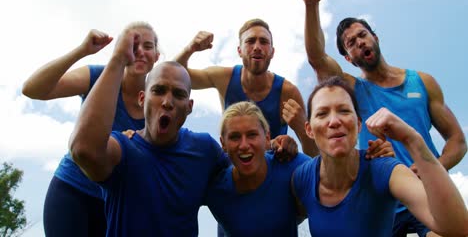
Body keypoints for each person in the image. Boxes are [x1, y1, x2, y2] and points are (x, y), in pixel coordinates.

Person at [300, 0, 467, 236]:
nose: (360, 43)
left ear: (375, 37)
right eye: (351, 44)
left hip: (425, 192)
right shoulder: (354, 91)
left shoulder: (422, 82)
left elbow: (458, 140)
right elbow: (318, 59)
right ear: (348, 58)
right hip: (383, 195)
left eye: (362, 35)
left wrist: (432, 167)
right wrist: (311, 6)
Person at [69, 26, 230, 235]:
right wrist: (118, 59)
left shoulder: (205, 150)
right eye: (159, 91)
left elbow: (245, 175)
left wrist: (280, 146)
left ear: (189, 107)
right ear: (142, 99)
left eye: (179, 94)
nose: (167, 102)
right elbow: (84, 150)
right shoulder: (124, 150)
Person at [22, 22, 160, 236]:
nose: (140, 52)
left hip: (115, 204)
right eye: (133, 46)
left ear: (157, 55)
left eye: (148, 46)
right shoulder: (98, 76)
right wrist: (82, 50)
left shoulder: (158, 99)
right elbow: (32, 89)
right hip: (72, 192)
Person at [292, 76, 468, 236]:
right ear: (309, 129)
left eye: (344, 111)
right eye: (322, 114)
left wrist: (412, 139)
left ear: (358, 124)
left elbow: (458, 229)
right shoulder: (302, 178)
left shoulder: (384, 170)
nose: (334, 121)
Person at [174, 19, 318, 157]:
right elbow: (173, 76)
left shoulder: (287, 93)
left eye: (264, 42)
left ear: (272, 52)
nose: (257, 47)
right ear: (239, 50)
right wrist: (190, 48)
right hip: (234, 165)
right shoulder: (224, 78)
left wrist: (301, 129)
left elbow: (315, 155)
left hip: (273, 169)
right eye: (250, 41)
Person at [204, 101, 311, 236]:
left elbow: (329, 180)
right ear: (223, 144)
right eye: (235, 137)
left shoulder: (289, 164)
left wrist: (302, 130)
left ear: (266, 138)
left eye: (252, 135)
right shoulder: (215, 189)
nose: (243, 145)